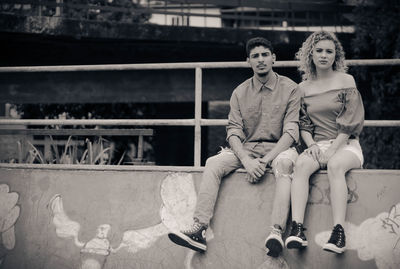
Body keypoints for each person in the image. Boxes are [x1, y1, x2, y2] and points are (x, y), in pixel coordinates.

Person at [168, 37, 300, 257]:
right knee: (213, 163)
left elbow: (291, 133)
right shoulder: (239, 92)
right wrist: (247, 161)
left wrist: (264, 162)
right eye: (255, 56)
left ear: (274, 58)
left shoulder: (291, 89)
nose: (261, 60)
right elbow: (233, 132)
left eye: (265, 55)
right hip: (247, 150)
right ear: (248, 61)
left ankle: (276, 232)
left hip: (279, 149)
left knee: (285, 164)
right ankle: (199, 229)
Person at [284, 31, 364, 254]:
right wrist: (311, 146)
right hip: (316, 145)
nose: (324, 55)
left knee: (335, 165)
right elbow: (303, 123)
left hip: (346, 145)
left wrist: (333, 151)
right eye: (319, 51)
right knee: (300, 166)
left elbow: (350, 121)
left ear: (335, 55)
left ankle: (338, 233)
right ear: (310, 54)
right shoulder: (302, 88)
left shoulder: (347, 81)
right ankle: (297, 229)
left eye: (329, 51)